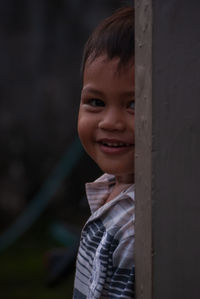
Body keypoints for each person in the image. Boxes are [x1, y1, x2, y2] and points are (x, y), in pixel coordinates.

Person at [73, 7, 135, 298]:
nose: (110, 122)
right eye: (96, 102)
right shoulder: (109, 185)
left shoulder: (136, 228)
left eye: (133, 104)